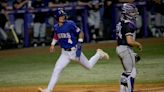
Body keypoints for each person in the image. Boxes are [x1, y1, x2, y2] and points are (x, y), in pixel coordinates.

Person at [38, 8, 109, 92]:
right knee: (57, 69)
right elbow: (56, 35)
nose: (63, 17)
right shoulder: (56, 27)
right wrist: (52, 44)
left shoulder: (70, 24)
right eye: (61, 16)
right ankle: (48, 90)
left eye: (63, 15)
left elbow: (81, 33)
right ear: (57, 17)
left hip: (74, 51)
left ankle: (98, 54)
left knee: (89, 66)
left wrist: (79, 43)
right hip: (64, 54)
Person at [115, 3, 142, 92]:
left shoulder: (120, 23)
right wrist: (138, 44)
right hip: (125, 49)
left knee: (126, 73)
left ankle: (122, 90)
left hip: (119, 49)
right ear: (127, 13)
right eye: (132, 12)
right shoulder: (129, 24)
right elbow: (129, 41)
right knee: (132, 73)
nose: (134, 14)